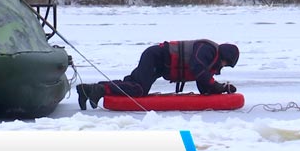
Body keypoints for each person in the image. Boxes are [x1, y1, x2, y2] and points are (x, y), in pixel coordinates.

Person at [76, 40, 240, 110]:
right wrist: (217, 85)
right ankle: (100, 90)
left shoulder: (211, 59)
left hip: (160, 65)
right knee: (139, 89)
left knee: (133, 84)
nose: (223, 67)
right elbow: (199, 70)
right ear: (224, 57)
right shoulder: (208, 50)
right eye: (226, 64)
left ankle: (88, 90)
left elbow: (204, 85)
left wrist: (222, 89)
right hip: (156, 57)